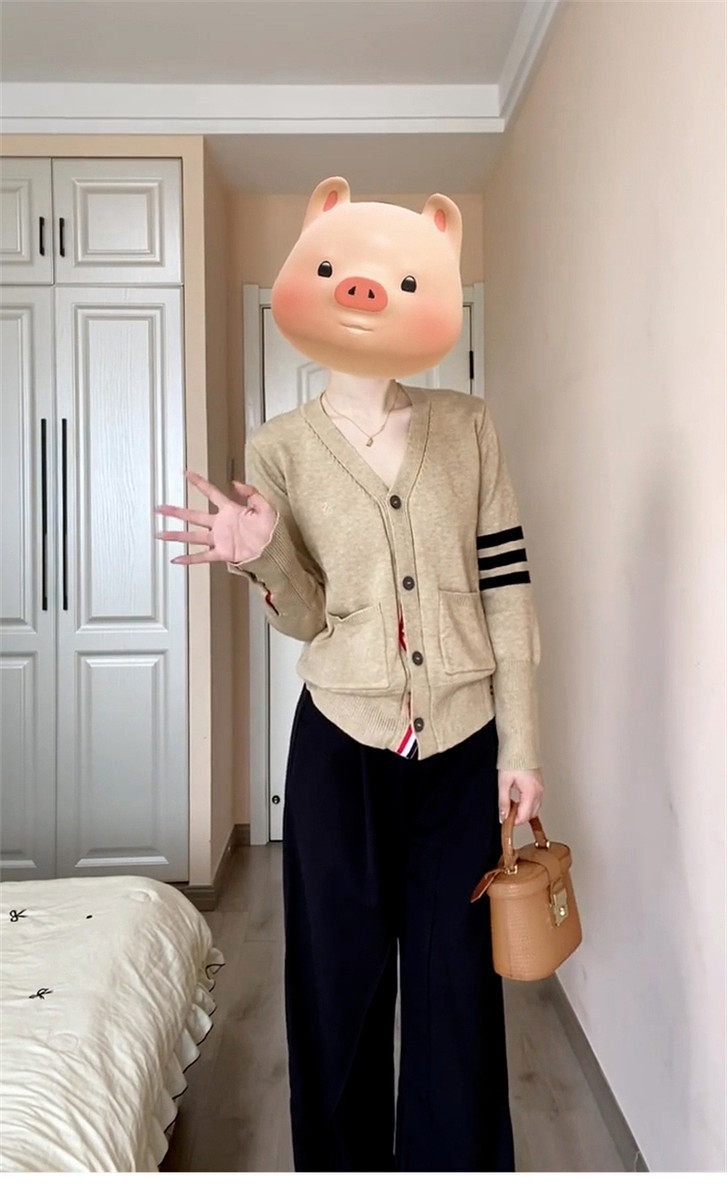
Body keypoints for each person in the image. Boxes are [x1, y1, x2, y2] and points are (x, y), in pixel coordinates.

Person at [155, 177, 544, 1172]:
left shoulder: (468, 426)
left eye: (398, 280)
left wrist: (522, 747)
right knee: (337, 985)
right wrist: (260, 557)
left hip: (461, 749)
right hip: (341, 745)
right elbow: (306, 613)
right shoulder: (279, 449)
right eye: (339, 271)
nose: (365, 293)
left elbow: (506, 588)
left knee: (458, 991)